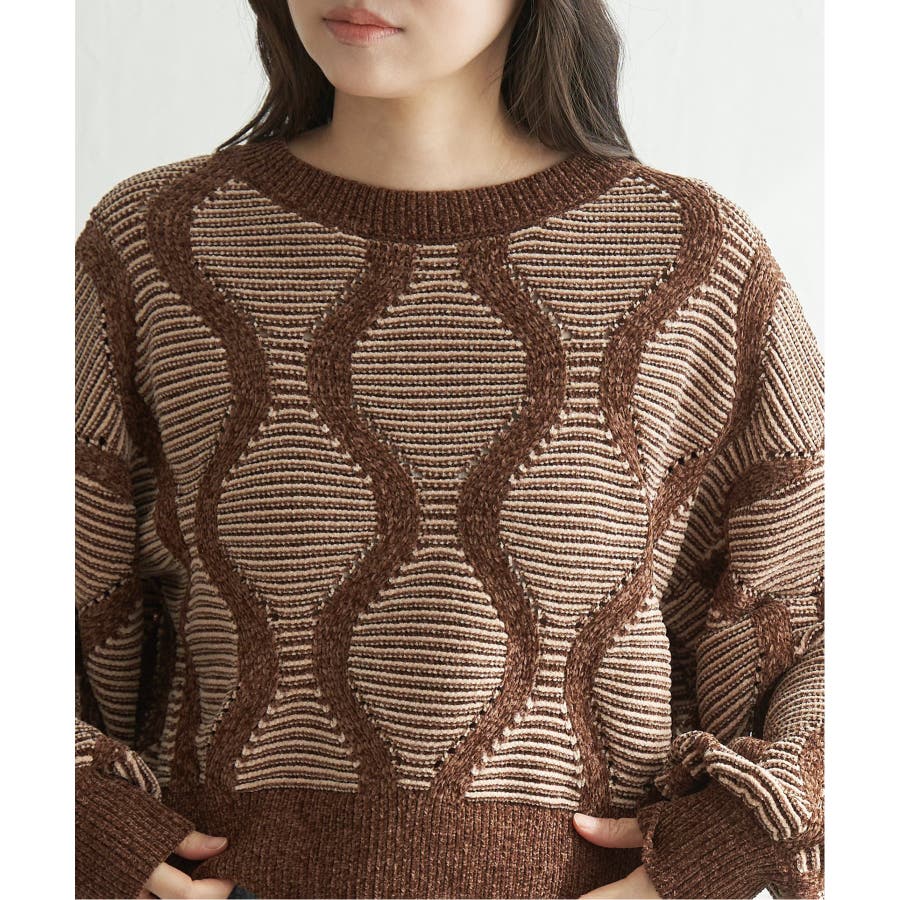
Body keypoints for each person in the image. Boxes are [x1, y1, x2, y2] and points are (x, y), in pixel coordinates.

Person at [74, 1, 824, 898]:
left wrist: (717, 851)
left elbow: (825, 616)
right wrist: (86, 821)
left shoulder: (692, 259)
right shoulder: (156, 244)